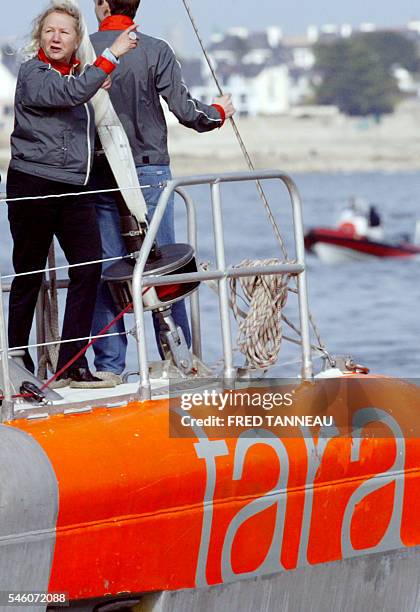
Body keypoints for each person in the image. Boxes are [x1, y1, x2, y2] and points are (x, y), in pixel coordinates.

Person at [89, 0, 236, 386]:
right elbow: (188, 112)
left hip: (97, 174)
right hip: (149, 169)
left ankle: (108, 366)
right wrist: (219, 112)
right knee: (162, 266)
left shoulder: (82, 49)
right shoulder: (154, 49)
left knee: (106, 268)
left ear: (101, 5)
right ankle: (179, 356)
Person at [7, 1, 138, 387]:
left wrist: (96, 76)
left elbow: (80, 91)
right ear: (39, 37)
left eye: (64, 31)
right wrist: (110, 56)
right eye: (49, 30)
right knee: (29, 273)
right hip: (33, 182)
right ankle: (15, 359)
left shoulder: (80, 76)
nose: (56, 37)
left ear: (76, 39)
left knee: (88, 269)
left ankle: (71, 364)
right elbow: (68, 93)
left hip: (74, 186)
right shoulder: (34, 73)